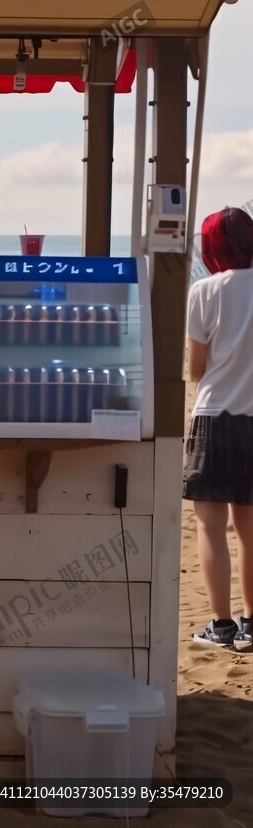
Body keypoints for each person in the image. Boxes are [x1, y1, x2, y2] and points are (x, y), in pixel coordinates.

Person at [185, 206, 253, 650]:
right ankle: (252, 624)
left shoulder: (204, 291)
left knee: (209, 527)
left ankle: (222, 625)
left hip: (213, 418)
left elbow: (195, 369)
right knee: (249, 529)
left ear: (211, 247)